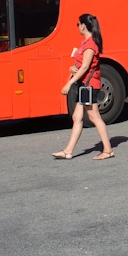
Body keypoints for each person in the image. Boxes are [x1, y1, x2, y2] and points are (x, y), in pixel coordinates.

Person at [51, 14, 114, 160]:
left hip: (89, 86)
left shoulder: (90, 44)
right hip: (85, 85)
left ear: (83, 25)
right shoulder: (85, 43)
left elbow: (86, 67)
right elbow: (82, 65)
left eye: (78, 24)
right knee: (77, 117)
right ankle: (68, 151)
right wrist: (73, 69)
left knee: (94, 117)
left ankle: (108, 150)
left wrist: (69, 83)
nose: (78, 26)